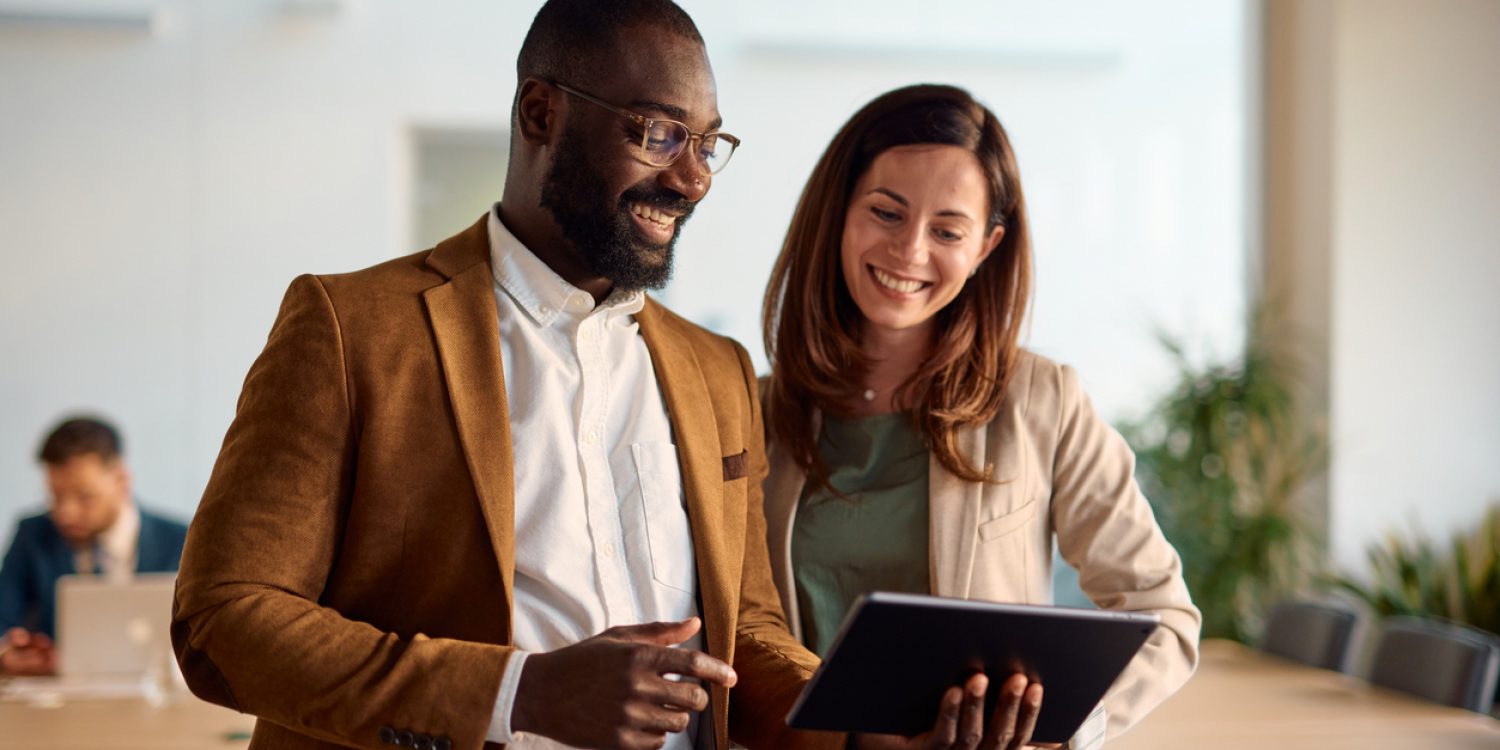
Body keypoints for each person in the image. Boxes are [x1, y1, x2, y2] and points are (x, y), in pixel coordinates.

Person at [171, 2, 848, 750]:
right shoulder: (350, 327)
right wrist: (519, 693)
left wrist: (862, 723)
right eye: (659, 134)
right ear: (540, 113)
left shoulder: (716, 369)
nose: (693, 179)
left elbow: (743, 626)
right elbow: (224, 617)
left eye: (709, 143)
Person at [760, 84, 1202, 750]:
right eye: (886, 212)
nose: (910, 251)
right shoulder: (753, 411)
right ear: (839, 213)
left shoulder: (1043, 400)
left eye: (947, 231)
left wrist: (1059, 733)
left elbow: (1164, 615)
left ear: (986, 247)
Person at [0, 416, 188, 676]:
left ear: (121, 480)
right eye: (55, 496)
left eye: (84, 496)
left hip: (158, 698)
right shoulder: (32, 535)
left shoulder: (182, 539)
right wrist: (7, 653)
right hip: (58, 702)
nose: (65, 513)